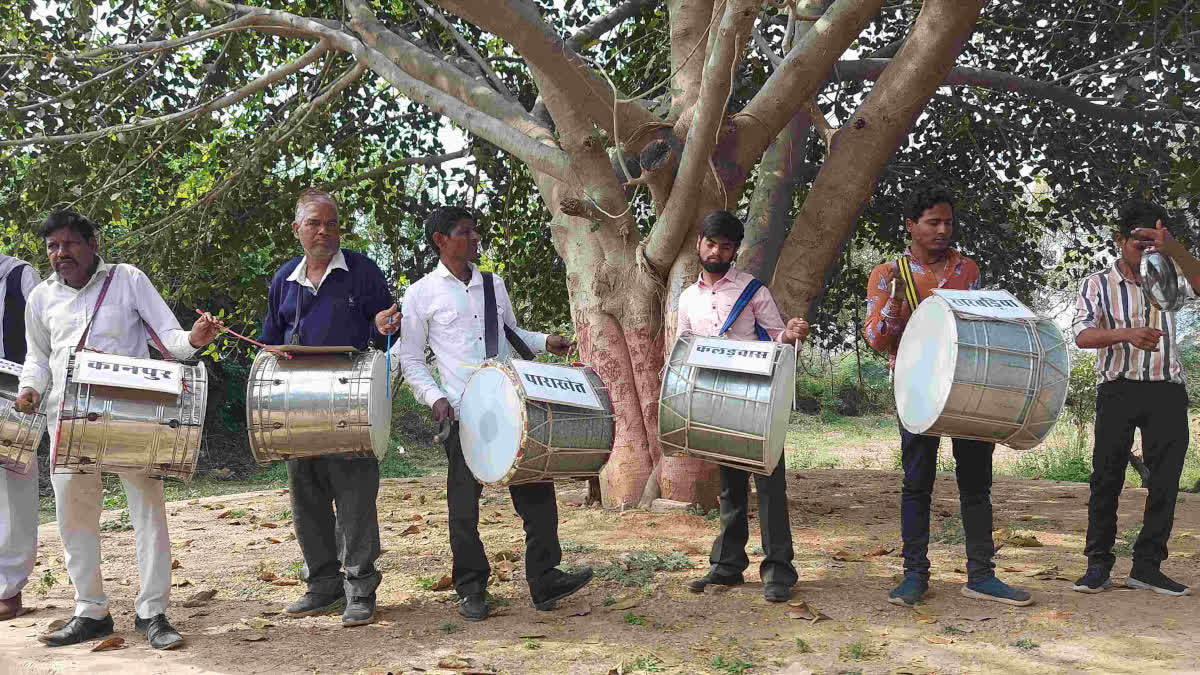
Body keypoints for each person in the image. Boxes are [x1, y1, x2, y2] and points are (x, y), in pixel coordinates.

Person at [14, 210, 221, 648]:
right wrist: (30, 388)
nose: (60, 253)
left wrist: (197, 338)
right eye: (53, 246)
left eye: (69, 243)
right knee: (74, 516)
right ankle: (91, 611)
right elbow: (37, 357)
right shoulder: (41, 298)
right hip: (67, 419)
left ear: (92, 244)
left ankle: (153, 613)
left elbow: (170, 338)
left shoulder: (127, 279)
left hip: (134, 416)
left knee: (147, 510)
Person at [398, 206, 590, 621]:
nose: (474, 238)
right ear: (440, 240)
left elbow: (510, 334)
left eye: (475, 231)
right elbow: (411, 359)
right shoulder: (420, 294)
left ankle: (545, 578)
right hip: (463, 413)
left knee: (537, 491)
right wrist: (436, 399)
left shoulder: (492, 283)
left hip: (508, 405)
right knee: (464, 507)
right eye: (465, 232)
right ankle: (471, 587)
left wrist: (546, 341)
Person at [864, 185, 1033, 608]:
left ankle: (981, 575)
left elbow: (976, 326)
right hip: (916, 389)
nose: (943, 230)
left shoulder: (967, 270)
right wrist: (896, 305)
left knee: (976, 483)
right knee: (917, 483)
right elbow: (876, 340)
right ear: (910, 226)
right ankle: (913, 576)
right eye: (933, 223)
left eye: (948, 223)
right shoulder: (888, 273)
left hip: (967, 386)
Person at [260, 188, 400, 626]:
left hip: (351, 403)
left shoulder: (363, 272)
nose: (325, 231)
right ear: (297, 229)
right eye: (315, 223)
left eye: (333, 223)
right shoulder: (285, 278)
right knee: (308, 499)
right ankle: (322, 587)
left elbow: (388, 333)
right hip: (298, 405)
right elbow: (269, 339)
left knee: (356, 498)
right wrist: (273, 350)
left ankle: (360, 590)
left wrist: (381, 326)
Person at [676, 211, 810, 603]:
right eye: (712, 243)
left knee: (769, 484)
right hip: (716, 400)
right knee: (730, 487)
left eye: (726, 246)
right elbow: (684, 350)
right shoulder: (688, 298)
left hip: (757, 399)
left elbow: (777, 338)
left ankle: (779, 572)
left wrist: (790, 333)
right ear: (699, 242)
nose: (717, 252)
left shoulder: (754, 291)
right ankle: (727, 567)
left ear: (735, 251)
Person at [1071, 198, 1196, 597]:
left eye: (1153, 243)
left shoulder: (1171, 274)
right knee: (1106, 479)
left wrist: (1173, 249)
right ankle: (1097, 566)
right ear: (1120, 240)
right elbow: (1082, 335)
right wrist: (1127, 334)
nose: (1146, 251)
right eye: (1139, 243)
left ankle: (1147, 567)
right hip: (1118, 388)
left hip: (1167, 390)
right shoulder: (1097, 283)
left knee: (1165, 482)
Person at [0, 253, 41, 622]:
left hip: (14, 397)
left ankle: (7, 589)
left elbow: (43, 330)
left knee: (14, 490)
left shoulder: (19, 275)